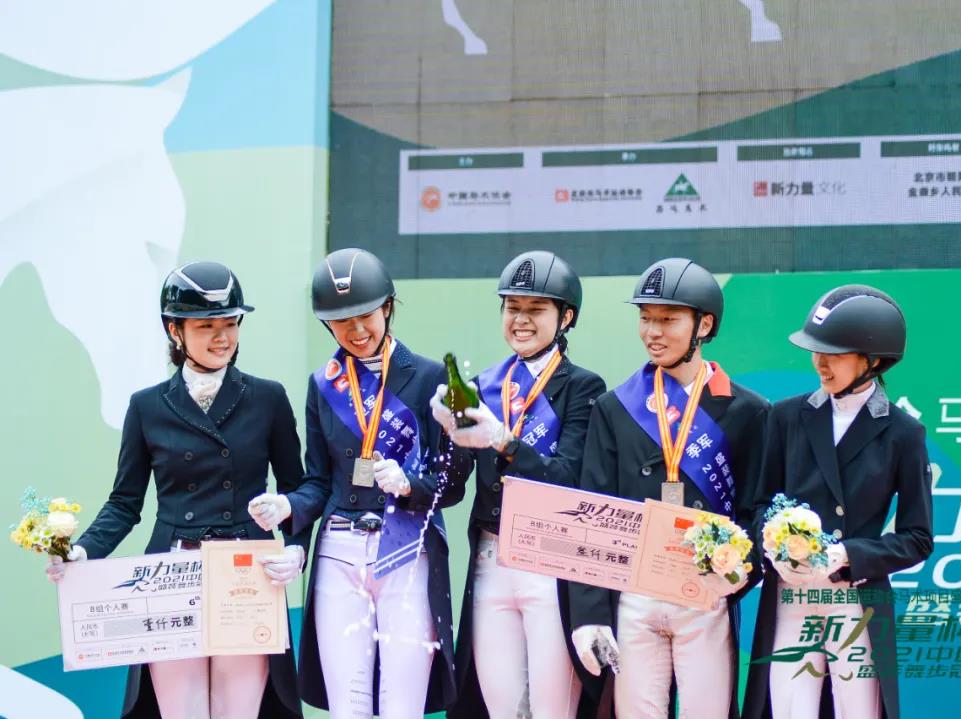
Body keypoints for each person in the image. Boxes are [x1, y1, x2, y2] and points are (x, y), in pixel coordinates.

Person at [46, 261, 308, 719]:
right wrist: (83, 552)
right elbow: (125, 503)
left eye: (230, 323)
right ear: (175, 331)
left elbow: (295, 487)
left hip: (245, 571)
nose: (222, 337)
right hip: (172, 573)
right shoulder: (146, 406)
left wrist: (296, 547)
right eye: (206, 326)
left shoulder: (268, 397)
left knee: (237, 712)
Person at [248, 248, 469, 719]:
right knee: (348, 706)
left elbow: (453, 482)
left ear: (387, 307)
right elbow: (317, 481)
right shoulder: (322, 385)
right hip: (339, 549)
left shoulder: (430, 376)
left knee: (401, 704)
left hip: (405, 547)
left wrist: (409, 485)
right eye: (341, 322)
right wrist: (289, 507)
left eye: (365, 315)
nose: (356, 330)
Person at [568, 258, 769, 719]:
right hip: (634, 597)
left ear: (704, 325)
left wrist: (738, 574)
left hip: (706, 597)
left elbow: (756, 510)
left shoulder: (749, 412)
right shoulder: (614, 408)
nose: (653, 332)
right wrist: (590, 614)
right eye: (645, 318)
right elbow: (593, 512)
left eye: (668, 319)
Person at [742, 284, 934, 719]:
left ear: (873, 361)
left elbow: (917, 537)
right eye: (816, 351)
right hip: (792, 594)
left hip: (855, 597)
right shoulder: (786, 416)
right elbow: (759, 505)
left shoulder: (903, 433)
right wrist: (776, 548)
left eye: (834, 353)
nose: (820, 363)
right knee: (789, 709)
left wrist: (847, 554)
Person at [431, 251, 607, 719]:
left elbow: (568, 476)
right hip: (492, 560)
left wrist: (504, 440)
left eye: (536, 309)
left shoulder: (583, 387)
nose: (521, 320)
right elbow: (451, 486)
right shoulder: (484, 385)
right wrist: (446, 435)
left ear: (565, 317)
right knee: (503, 708)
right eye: (512, 308)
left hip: (551, 560)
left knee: (553, 709)